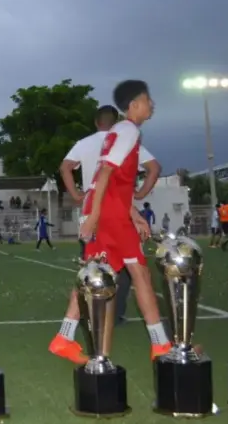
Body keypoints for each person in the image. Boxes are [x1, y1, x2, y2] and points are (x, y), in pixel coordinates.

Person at [50, 80, 170, 363]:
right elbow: (104, 173)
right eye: (147, 99)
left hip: (111, 210)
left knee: (118, 274)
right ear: (134, 105)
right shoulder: (128, 131)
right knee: (131, 274)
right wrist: (93, 218)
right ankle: (160, 344)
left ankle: (65, 337)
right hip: (107, 214)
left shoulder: (122, 132)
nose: (152, 104)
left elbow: (115, 182)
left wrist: (135, 213)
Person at [59, 104, 161, 325]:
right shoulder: (125, 138)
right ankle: (114, 315)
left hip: (92, 209)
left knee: (92, 266)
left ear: (96, 122)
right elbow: (154, 168)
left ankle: (85, 318)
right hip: (118, 211)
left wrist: (77, 194)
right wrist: (140, 193)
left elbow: (65, 167)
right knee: (130, 269)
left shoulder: (84, 143)